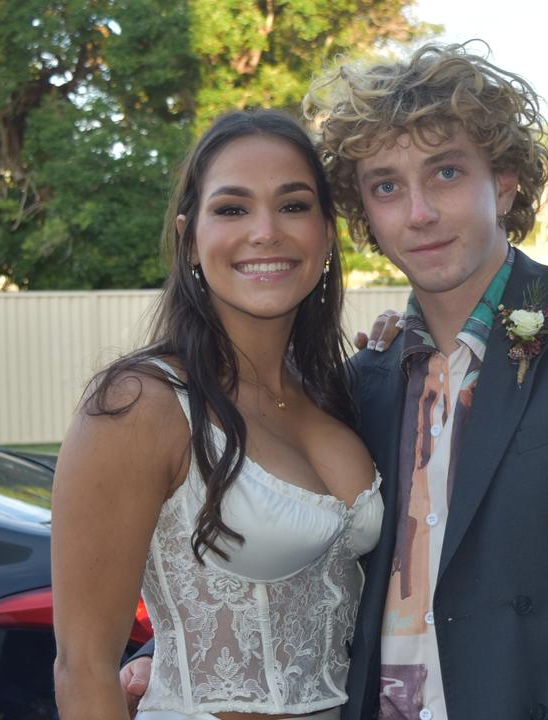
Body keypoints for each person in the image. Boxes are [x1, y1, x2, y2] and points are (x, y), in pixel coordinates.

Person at [125, 42, 548, 719]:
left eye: (447, 172)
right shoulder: (362, 381)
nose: (419, 213)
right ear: (363, 213)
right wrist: (165, 652)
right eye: (386, 186)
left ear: (506, 181)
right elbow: (307, 579)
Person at [52, 109, 383, 720]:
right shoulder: (138, 406)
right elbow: (83, 666)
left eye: (293, 206)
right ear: (190, 239)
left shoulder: (338, 394)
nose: (265, 232)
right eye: (232, 208)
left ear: (328, 233)